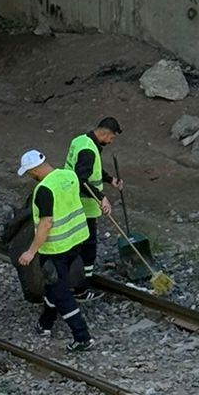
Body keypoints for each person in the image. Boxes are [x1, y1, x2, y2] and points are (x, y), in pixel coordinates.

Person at [16, 147, 92, 350]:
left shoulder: (43, 190)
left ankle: (82, 337)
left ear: (35, 170)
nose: (30, 176)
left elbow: (46, 223)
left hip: (56, 248)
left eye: (30, 173)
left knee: (61, 293)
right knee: (52, 285)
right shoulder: (69, 176)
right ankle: (45, 323)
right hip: (77, 240)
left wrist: (31, 251)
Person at [66, 115, 123, 284]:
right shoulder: (89, 151)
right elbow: (81, 180)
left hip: (74, 200)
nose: (111, 141)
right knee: (88, 244)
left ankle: (75, 277)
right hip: (83, 205)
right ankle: (83, 283)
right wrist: (102, 198)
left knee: (78, 241)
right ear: (105, 134)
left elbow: (93, 169)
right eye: (112, 138)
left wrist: (110, 179)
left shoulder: (81, 141)